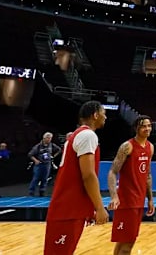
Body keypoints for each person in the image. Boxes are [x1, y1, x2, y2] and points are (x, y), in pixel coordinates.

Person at [44, 101, 109, 255]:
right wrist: (99, 207)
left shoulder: (78, 135)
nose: (105, 117)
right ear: (95, 115)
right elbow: (88, 175)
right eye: (103, 113)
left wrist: (88, 208)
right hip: (68, 210)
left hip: (69, 208)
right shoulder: (88, 135)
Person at [107, 116, 155, 255]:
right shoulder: (127, 146)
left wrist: (150, 199)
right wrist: (114, 196)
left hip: (139, 201)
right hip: (127, 202)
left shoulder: (150, 147)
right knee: (127, 245)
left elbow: (148, 175)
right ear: (136, 128)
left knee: (122, 242)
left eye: (149, 125)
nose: (147, 129)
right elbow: (112, 172)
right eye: (143, 126)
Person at [29, 132, 62, 196]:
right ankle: (31, 192)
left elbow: (59, 150)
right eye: (48, 138)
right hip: (39, 164)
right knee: (36, 178)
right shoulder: (38, 146)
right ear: (44, 138)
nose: (49, 139)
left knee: (45, 178)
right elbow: (30, 154)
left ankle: (42, 191)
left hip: (47, 164)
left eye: (50, 138)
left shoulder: (52, 145)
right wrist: (35, 160)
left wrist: (53, 156)